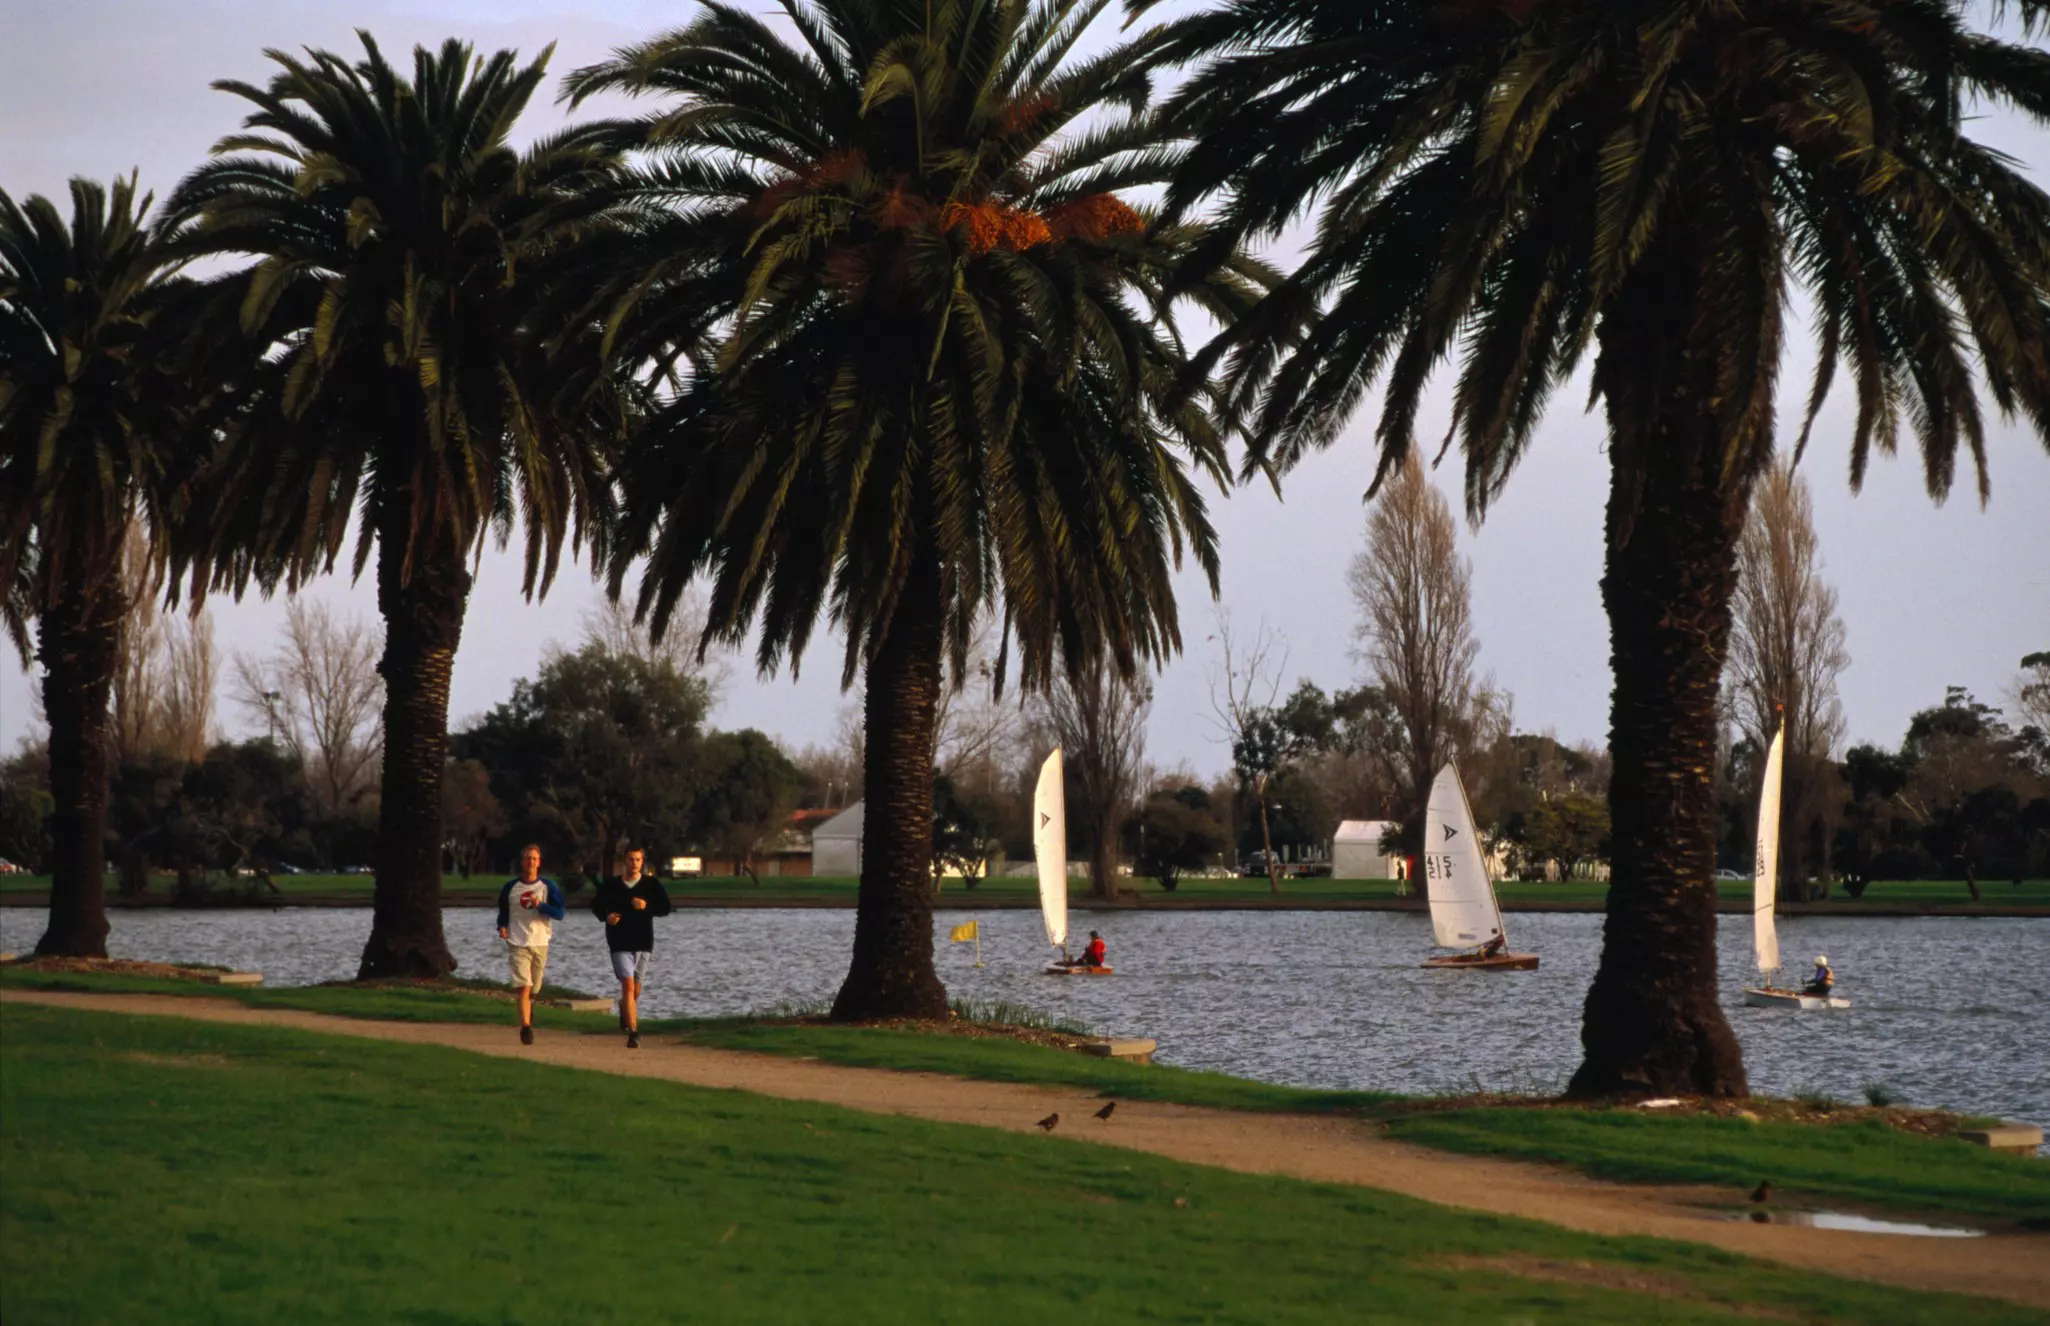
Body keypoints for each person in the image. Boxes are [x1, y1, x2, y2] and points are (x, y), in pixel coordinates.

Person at [589, 844, 673, 1049]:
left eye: (637, 860)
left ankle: (624, 1010)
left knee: (635, 988)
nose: (634, 863)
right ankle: (634, 1032)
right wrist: (606, 917)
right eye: (630, 859)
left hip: (643, 940)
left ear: (642, 862)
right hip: (619, 941)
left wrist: (646, 907)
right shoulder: (612, 885)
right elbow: (596, 906)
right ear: (624, 861)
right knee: (627, 985)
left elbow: (666, 908)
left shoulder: (651, 884)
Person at [496, 843, 565, 1045]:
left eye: (534, 859)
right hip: (517, 941)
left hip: (540, 941)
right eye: (528, 858)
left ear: (539, 862)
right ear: (522, 862)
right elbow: (503, 913)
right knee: (524, 987)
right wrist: (502, 927)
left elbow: (559, 913)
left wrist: (541, 905)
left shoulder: (547, 887)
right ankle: (526, 1027)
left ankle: (528, 1009)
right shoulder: (510, 888)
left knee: (534, 988)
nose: (531, 862)